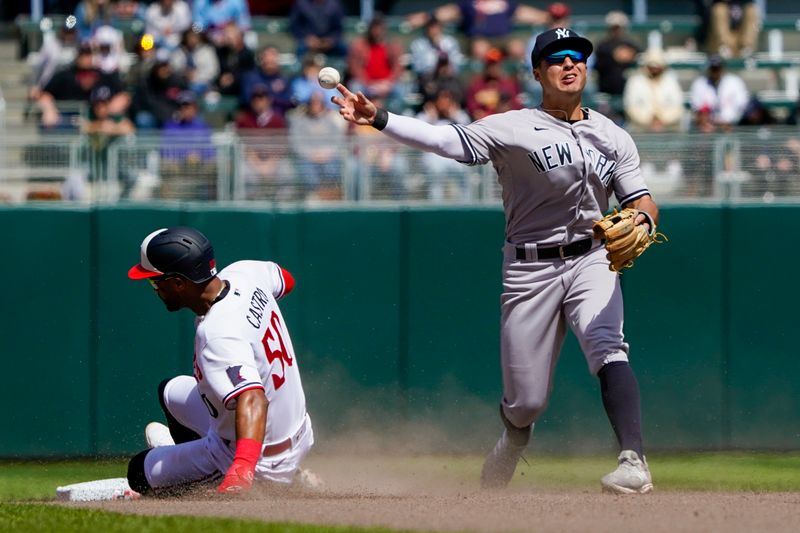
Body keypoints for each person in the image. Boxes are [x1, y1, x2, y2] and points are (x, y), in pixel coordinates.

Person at [332, 26, 659, 494]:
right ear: (537, 72)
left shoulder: (613, 135)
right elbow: (445, 141)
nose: (569, 65)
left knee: (607, 345)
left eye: (577, 57)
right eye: (557, 58)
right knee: (526, 401)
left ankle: (634, 461)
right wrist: (379, 117)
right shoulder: (511, 127)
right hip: (529, 267)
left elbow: (642, 199)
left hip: (593, 257)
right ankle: (512, 438)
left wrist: (644, 222)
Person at [126, 226, 315, 496]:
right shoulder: (244, 273)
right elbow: (286, 279)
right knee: (169, 390)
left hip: (262, 459)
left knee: (138, 472)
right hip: (295, 429)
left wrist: (241, 469)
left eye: (155, 281)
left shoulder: (217, 334)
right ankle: (196, 454)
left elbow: (253, 399)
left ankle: (237, 477)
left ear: (179, 283)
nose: (154, 288)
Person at [37, 43, 129, 130]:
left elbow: (123, 96)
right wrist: (49, 109)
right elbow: (44, 94)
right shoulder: (64, 76)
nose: (86, 57)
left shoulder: (105, 76)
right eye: (83, 53)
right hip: (69, 118)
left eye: (89, 53)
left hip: (96, 118)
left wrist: (108, 110)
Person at [623, 48, 685, 132]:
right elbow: (630, 106)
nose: (654, 69)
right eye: (652, 66)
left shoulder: (670, 81)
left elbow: (678, 106)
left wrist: (663, 120)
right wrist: (649, 120)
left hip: (668, 129)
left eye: (657, 66)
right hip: (640, 129)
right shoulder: (635, 81)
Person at [689, 54, 749, 133]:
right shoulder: (699, 84)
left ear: (723, 68)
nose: (715, 71)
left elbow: (742, 106)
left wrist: (729, 122)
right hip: (708, 128)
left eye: (717, 68)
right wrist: (705, 122)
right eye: (713, 68)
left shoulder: (735, 82)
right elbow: (697, 110)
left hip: (733, 127)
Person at [593, 11, 640, 97]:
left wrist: (630, 55)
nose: (616, 30)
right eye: (614, 28)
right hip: (606, 89)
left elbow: (637, 54)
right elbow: (599, 64)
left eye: (618, 27)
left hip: (627, 90)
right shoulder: (602, 45)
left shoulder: (630, 44)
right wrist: (615, 55)